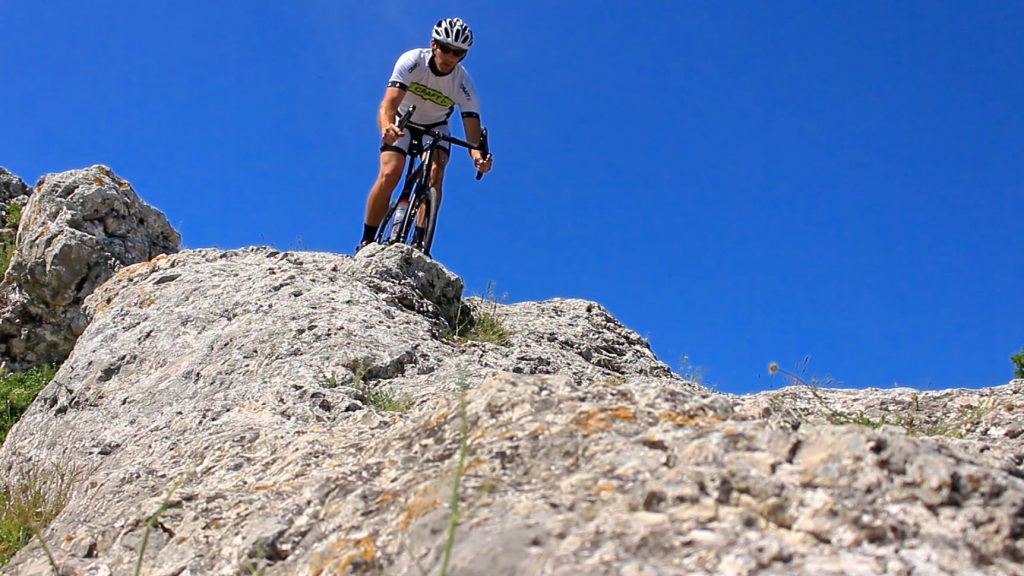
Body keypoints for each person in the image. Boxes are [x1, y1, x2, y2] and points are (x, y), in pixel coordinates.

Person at [357, 17, 493, 252]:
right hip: (403, 119)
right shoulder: (412, 61)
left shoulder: (463, 84)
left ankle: (420, 240)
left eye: (458, 53)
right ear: (433, 45)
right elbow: (388, 103)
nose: (450, 57)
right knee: (390, 173)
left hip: (436, 126)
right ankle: (367, 239)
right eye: (446, 49)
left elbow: (473, 134)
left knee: (435, 173)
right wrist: (386, 127)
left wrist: (478, 158)